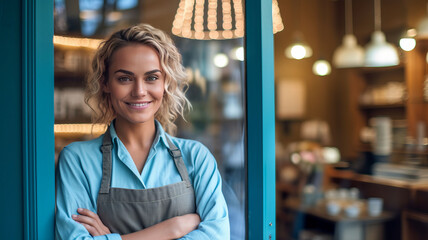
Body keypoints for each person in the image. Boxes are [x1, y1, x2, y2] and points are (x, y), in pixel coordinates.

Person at [55, 24, 230, 240]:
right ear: (105, 83)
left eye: (152, 78)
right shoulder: (77, 160)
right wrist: (172, 229)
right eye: (125, 78)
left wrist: (114, 238)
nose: (139, 91)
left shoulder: (196, 157)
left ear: (166, 83)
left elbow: (217, 236)